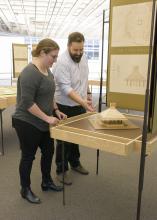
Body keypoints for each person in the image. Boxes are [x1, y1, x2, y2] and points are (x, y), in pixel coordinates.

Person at [12, 38, 67, 204]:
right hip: (27, 122)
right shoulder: (29, 72)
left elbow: (49, 95)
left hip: (44, 121)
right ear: (43, 53)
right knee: (28, 156)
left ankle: (46, 181)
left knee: (48, 152)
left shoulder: (47, 71)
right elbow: (27, 103)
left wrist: (56, 111)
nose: (55, 60)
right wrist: (47, 117)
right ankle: (25, 189)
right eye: (53, 56)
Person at [53, 32, 94, 185]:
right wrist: (84, 103)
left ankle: (75, 163)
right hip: (64, 105)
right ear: (69, 46)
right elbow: (65, 88)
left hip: (80, 103)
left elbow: (85, 78)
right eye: (75, 50)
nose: (78, 53)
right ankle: (61, 170)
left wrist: (88, 94)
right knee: (64, 139)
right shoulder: (62, 63)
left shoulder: (84, 57)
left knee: (77, 137)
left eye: (81, 49)